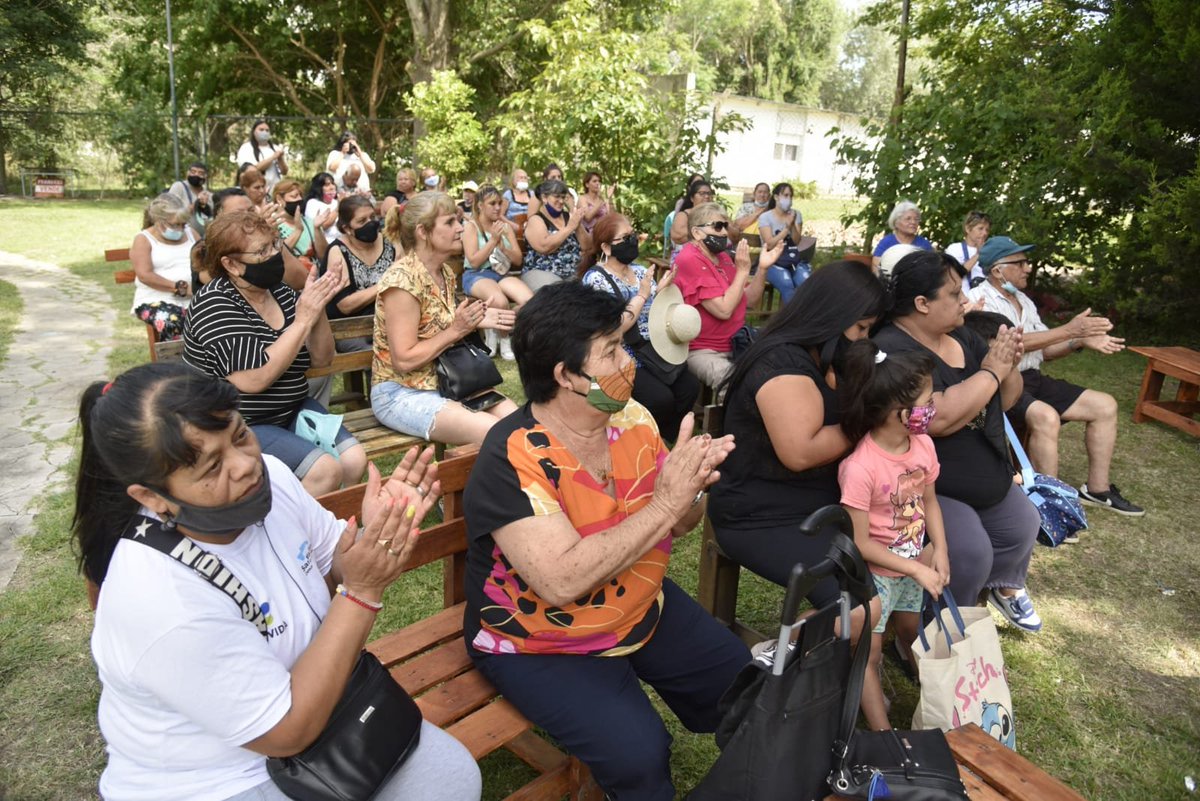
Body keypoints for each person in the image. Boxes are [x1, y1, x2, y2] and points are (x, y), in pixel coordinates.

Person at [74, 361, 482, 801]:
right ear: (152, 497)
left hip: (322, 711)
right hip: (220, 778)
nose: (246, 465)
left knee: (455, 778)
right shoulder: (162, 601)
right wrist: (362, 594)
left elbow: (336, 563)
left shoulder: (274, 477)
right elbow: (286, 734)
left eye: (240, 435)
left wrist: (379, 535)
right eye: (212, 468)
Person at [462, 281, 748, 801]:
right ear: (567, 375)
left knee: (747, 692)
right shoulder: (512, 458)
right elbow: (560, 580)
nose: (628, 361)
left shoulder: (632, 418)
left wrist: (692, 486)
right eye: (612, 350)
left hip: (636, 601)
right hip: (541, 636)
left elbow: (677, 523)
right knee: (638, 755)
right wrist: (665, 503)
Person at [873, 250, 1043, 633]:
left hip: (984, 471)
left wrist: (1007, 364)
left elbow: (1007, 395)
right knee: (970, 551)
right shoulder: (893, 349)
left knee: (1022, 524)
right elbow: (936, 418)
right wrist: (990, 373)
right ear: (921, 304)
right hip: (924, 484)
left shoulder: (962, 335)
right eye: (954, 294)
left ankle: (981, 598)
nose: (965, 301)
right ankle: (930, 630)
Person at [708, 261, 886, 607]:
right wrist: (869, 418)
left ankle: (830, 651)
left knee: (905, 561)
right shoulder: (782, 364)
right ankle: (774, 659)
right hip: (762, 516)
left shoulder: (820, 355)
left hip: (818, 505)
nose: (865, 339)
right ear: (833, 316)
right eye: (861, 328)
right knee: (858, 607)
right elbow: (801, 452)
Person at [183, 211, 365, 496]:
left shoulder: (279, 292)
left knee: (353, 460)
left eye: (274, 245)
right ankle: (302, 536)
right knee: (324, 471)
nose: (273, 255)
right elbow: (255, 380)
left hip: (291, 410)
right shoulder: (214, 305)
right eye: (261, 251)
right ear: (231, 264)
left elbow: (322, 359)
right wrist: (303, 319)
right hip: (236, 426)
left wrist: (316, 311)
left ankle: (337, 527)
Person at [968, 236, 1144, 516]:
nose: (1027, 268)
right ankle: (1054, 505)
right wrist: (1070, 331)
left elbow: (1046, 349)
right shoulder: (980, 300)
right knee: (1046, 417)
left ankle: (1098, 489)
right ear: (998, 270)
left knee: (1105, 405)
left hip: (1033, 377)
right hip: (1004, 384)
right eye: (1020, 262)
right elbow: (1011, 343)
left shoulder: (1024, 300)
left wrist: (1078, 342)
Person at [837, 340, 949, 730]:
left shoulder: (923, 445)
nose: (932, 407)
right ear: (895, 411)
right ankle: (883, 733)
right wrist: (915, 569)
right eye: (926, 400)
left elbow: (930, 502)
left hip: (911, 564)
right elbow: (861, 543)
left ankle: (934, 689)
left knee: (910, 628)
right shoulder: (861, 468)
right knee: (868, 652)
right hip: (877, 575)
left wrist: (940, 551)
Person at [371, 192, 518, 446]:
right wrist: (458, 329)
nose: (460, 228)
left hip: (446, 382)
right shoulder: (403, 281)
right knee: (498, 435)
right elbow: (404, 359)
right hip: (401, 392)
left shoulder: (444, 272)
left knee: (520, 426)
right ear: (423, 232)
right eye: (450, 222)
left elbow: (441, 323)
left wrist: (477, 317)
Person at [582, 213, 701, 436]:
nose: (633, 241)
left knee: (689, 387)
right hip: (621, 351)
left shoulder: (638, 271)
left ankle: (666, 436)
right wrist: (644, 294)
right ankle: (647, 438)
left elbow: (653, 311)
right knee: (660, 398)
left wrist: (661, 290)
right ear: (606, 248)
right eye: (625, 238)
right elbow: (614, 327)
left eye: (633, 235)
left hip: (654, 346)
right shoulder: (595, 279)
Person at [672, 202, 779, 390]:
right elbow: (723, 310)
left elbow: (750, 300)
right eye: (718, 226)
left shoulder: (722, 257)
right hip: (702, 350)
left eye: (725, 226)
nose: (724, 233)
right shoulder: (689, 258)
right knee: (736, 388)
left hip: (737, 341)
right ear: (697, 233)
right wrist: (743, 271)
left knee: (776, 374)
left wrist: (762, 268)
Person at [318, 195, 399, 355]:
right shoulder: (338, 251)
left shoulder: (390, 243)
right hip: (350, 328)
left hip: (389, 321)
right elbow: (345, 305)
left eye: (372, 217)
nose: (370, 223)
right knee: (379, 355)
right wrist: (386, 282)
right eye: (362, 221)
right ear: (347, 228)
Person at [461, 185, 530, 360]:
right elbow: (475, 261)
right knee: (499, 301)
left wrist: (503, 247)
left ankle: (496, 328)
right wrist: (493, 240)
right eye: (492, 203)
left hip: (500, 273)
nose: (498, 208)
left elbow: (517, 260)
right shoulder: (471, 226)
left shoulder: (504, 227)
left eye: (500, 203)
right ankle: (505, 339)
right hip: (476, 274)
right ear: (480, 206)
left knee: (530, 302)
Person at [130, 193, 196, 341]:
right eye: (174, 225)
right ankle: (176, 363)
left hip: (194, 297)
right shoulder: (143, 239)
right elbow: (144, 275)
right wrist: (181, 288)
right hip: (155, 299)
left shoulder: (191, 233)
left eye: (182, 224)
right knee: (174, 322)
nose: (179, 229)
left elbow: (205, 262)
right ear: (158, 221)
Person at [522, 179, 590, 292]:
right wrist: (569, 228)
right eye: (557, 197)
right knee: (559, 295)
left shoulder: (570, 218)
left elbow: (587, 247)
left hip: (573, 273)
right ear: (544, 198)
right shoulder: (536, 220)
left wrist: (577, 223)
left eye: (563, 197)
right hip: (541, 272)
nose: (561, 201)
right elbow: (544, 247)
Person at [756, 181, 810, 306]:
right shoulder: (765, 217)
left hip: (792, 260)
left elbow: (796, 241)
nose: (789, 199)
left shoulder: (796, 215)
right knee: (787, 285)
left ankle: (805, 319)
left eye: (790, 196)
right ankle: (790, 321)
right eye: (785, 195)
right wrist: (786, 229)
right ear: (776, 197)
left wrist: (792, 226)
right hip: (772, 262)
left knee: (805, 283)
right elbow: (769, 244)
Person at [272, 179, 329, 272]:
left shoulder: (309, 222)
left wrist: (317, 229)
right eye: (294, 196)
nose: (299, 199)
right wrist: (298, 231)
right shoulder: (273, 224)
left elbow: (324, 256)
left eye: (300, 196)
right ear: (279, 199)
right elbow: (277, 255)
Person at [871, 200, 934, 273]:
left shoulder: (923, 244)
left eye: (916, 219)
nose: (913, 222)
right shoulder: (886, 242)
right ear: (896, 222)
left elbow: (931, 269)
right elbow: (876, 268)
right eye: (908, 219)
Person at [668, 179, 717, 263]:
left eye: (709, 193)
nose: (706, 196)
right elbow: (678, 236)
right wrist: (705, 229)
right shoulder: (684, 215)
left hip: (713, 257)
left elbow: (733, 234)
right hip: (686, 257)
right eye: (702, 193)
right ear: (692, 198)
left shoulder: (716, 214)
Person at [944, 210, 991, 294]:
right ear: (968, 229)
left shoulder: (990, 250)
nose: (984, 233)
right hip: (965, 300)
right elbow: (955, 274)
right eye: (980, 228)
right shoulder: (954, 248)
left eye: (987, 230)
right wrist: (978, 254)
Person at [236, 119, 288, 192]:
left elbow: (284, 172)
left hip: (274, 189)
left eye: (267, 130)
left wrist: (280, 159)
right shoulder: (246, 148)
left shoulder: (275, 148)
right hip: (255, 190)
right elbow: (252, 169)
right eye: (261, 130)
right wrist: (273, 157)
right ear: (254, 132)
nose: (264, 132)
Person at [167, 161, 213, 236]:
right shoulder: (179, 187)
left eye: (200, 173)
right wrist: (196, 203)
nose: (196, 175)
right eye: (193, 172)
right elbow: (170, 214)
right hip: (181, 234)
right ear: (187, 173)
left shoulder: (209, 196)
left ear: (206, 177)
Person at [303, 172, 341, 244]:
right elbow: (321, 227)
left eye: (333, 184)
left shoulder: (336, 202)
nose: (332, 187)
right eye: (327, 185)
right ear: (318, 188)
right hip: (324, 244)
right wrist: (338, 209)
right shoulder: (312, 203)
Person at [576, 171, 611, 235]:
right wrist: (601, 200)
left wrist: (608, 199)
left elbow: (609, 218)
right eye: (594, 181)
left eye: (599, 181)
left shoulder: (603, 199)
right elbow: (588, 217)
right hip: (588, 235)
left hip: (603, 233)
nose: (598, 183)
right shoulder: (582, 198)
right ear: (587, 184)